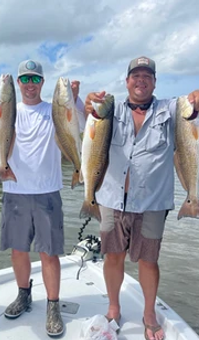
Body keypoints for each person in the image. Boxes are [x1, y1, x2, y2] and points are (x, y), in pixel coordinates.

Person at [84, 56, 199, 340]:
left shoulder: (172, 110)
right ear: (127, 81)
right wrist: (85, 102)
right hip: (111, 199)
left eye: (147, 75)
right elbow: (81, 125)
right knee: (113, 256)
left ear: (155, 82)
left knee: (149, 260)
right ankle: (114, 307)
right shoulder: (110, 111)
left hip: (152, 203)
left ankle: (149, 313)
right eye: (136, 75)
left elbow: (192, 117)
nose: (141, 80)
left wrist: (196, 99)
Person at [0, 59, 85, 337]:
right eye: (25, 79)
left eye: (35, 79)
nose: (29, 84)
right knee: (18, 251)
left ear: (42, 82)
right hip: (13, 192)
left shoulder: (55, 111)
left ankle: (52, 306)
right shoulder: (4, 108)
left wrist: (75, 98)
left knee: (49, 253)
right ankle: (24, 294)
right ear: (17, 83)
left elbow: (82, 123)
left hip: (47, 192)